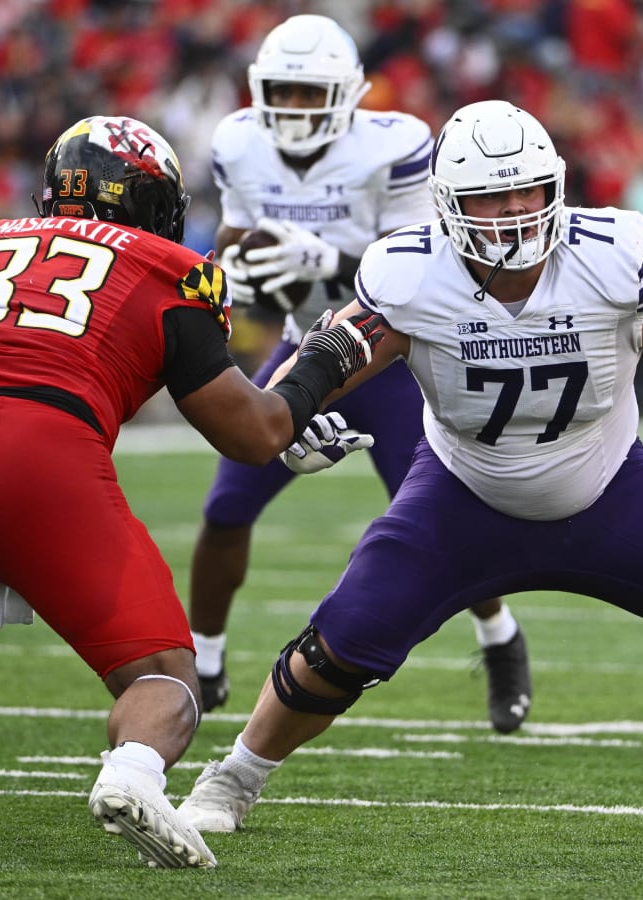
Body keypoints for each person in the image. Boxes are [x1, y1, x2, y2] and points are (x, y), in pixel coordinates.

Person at [175, 99, 643, 840]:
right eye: (492, 194)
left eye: (528, 189)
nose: (516, 210)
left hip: (612, 489)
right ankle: (234, 776)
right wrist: (293, 409)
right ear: (448, 204)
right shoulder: (411, 269)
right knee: (335, 646)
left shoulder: (610, 252)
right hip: (463, 496)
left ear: (557, 185)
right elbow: (339, 344)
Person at [0, 115, 383, 869]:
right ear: (153, 203)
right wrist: (326, 356)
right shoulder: (171, 267)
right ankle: (133, 774)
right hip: (49, 468)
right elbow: (251, 435)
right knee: (164, 678)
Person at [191, 14, 532, 732]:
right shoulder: (239, 143)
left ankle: (500, 638)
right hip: (300, 344)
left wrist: (328, 262)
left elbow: (426, 259)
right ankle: (204, 658)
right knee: (228, 505)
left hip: (389, 352)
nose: (296, 107)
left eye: (312, 93)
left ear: (347, 95)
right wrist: (242, 265)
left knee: (439, 520)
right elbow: (232, 235)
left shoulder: (397, 144)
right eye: (283, 91)